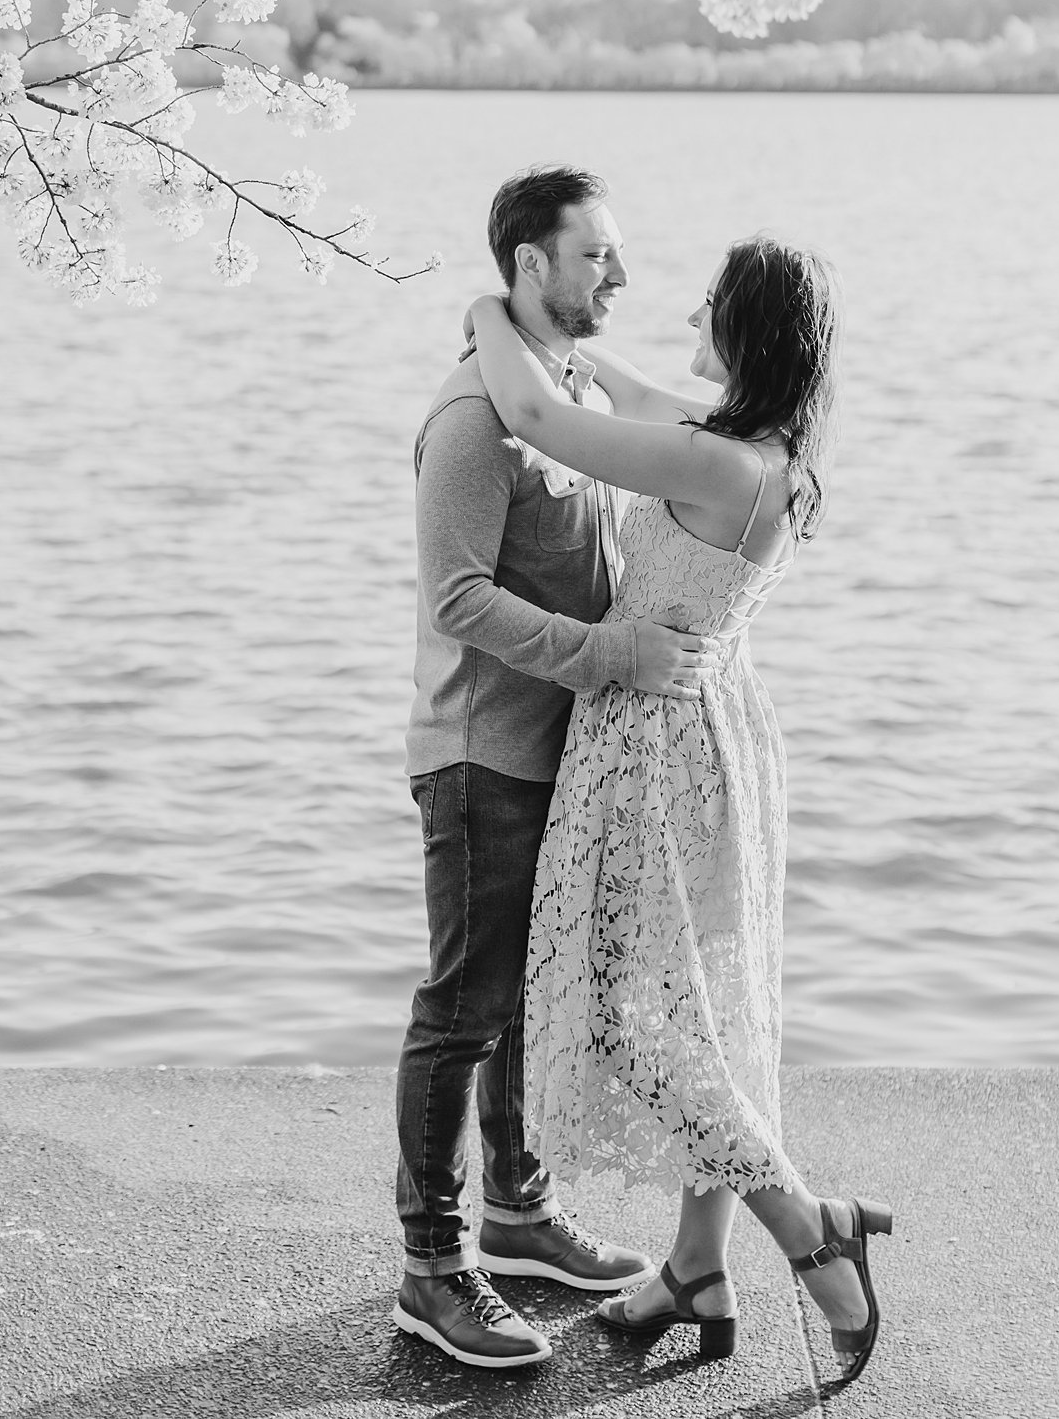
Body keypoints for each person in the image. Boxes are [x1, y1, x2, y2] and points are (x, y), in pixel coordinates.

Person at [465, 233, 894, 1399]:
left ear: (750, 331)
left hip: (656, 747)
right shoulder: (754, 451)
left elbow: (550, 429)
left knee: (635, 1012)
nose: (687, 311)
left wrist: (494, 314)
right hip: (710, 738)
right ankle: (698, 1268)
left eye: (713, 303)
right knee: (698, 1002)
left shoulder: (724, 469)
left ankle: (809, 1226)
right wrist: (572, 347)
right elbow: (641, 402)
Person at [393, 164, 724, 1371]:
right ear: (531, 266)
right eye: (595, 257)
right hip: (482, 757)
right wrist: (618, 654)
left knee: (528, 1000)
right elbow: (457, 597)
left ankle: (519, 1216)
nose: (621, 278)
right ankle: (432, 1270)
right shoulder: (478, 417)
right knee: (464, 1012)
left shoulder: (558, 390)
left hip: (560, 755)